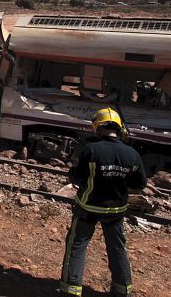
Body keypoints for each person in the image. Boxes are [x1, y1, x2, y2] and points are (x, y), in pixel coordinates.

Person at [60, 107, 147, 297]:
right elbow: (139, 184)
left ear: (98, 128)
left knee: (77, 245)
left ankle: (71, 289)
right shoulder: (131, 154)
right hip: (116, 210)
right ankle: (122, 289)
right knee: (117, 248)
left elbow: (76, 177)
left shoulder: (91, 150)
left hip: (88, 207)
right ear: (119, 128)